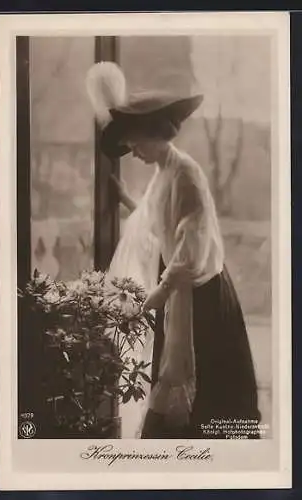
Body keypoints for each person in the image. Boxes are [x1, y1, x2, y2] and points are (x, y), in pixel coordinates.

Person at [86, 62, 261, 439]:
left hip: (200, 291)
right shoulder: (163, 173)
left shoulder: (186, 174)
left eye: (135, 144)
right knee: (172, 373)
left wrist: (157, 295)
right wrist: (126, 200)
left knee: (208, 382)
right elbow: (157, 220)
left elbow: (189, 245)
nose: (133, 152)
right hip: (179, 287)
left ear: (154, 135)